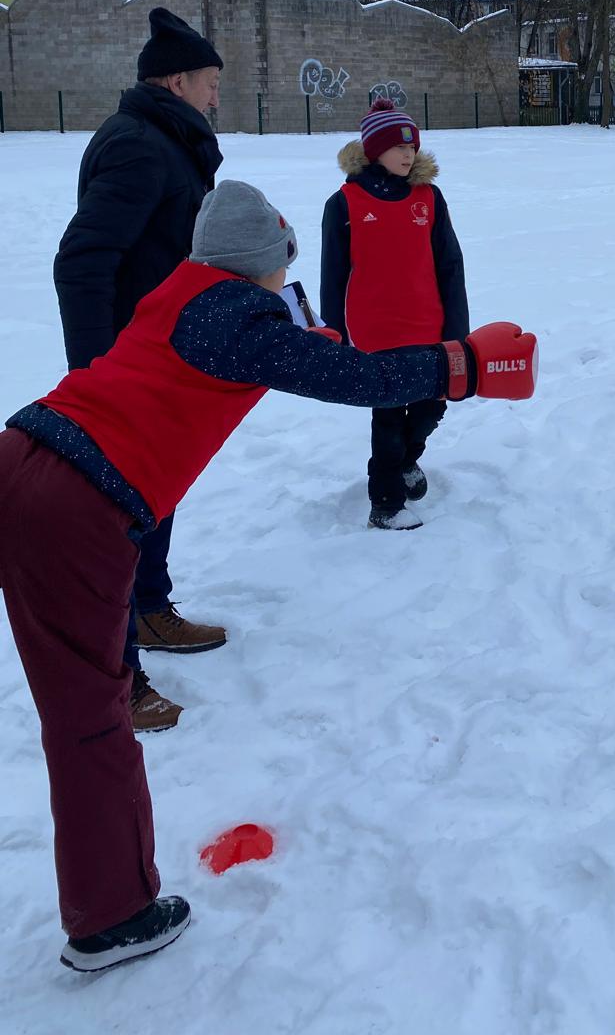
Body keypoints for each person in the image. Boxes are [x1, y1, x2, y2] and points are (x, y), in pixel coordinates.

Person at [0, 180, 537, 974]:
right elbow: (357, 380)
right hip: (76, 509)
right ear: (262, 264)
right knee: (90, 721)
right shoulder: (238, 323)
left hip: (23, 450)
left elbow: (255, 334)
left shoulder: (182, 293)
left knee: (84, 706)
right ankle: (111, 917)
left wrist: (296, 326)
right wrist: (461, 366)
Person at [53, 7, 227, 733]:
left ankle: (150, 607)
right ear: (178, 81)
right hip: (128, 363)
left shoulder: (167, 140)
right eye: (211, 83)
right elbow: (83, 260)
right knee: (121, 513)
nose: (216, 96)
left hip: (162, 352)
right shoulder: (138, 146)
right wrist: (98, 372)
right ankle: (116, 677)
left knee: (156, 487)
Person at [321, 99, 467, 530]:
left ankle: (405, 460)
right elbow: (333, 274)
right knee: (387, 415)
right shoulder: (344, 203)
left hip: (429, 325)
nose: (408, 154)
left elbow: (450, 265)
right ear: (374, 150)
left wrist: (458, 329)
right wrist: (334, 333)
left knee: (432, 406)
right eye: (398, 147)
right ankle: (385, 504)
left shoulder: (429, 197)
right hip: (376, 330)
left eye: (412, 147)